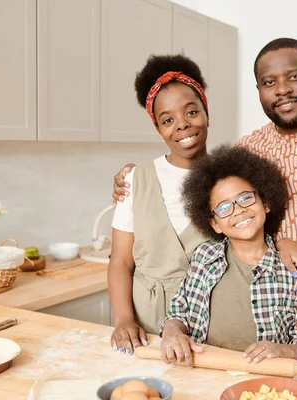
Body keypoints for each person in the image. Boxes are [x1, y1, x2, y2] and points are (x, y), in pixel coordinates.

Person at [112, 38, 297, 374]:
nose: (282, 90)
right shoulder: (250, 148)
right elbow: (238, 219)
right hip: (277, 337)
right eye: (270, 83)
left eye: (295, 77)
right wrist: (281, 240)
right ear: (259, 90)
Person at [159, 145, 297, 366]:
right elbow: (180, 310)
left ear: (265, 203)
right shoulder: (204, 256)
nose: (238, 210)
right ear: (214, 224)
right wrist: (172, 331)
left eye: (245, 198)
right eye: (224, 207)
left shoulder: (293, 268)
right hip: (204, 370)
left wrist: (286, 351)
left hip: (265, 383)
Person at [107, 54, 212, 356]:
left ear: (206, 112)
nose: (182, 125)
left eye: (191, 111)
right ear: (158, 128)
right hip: (147, 326)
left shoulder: (229, 179)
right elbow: (121, 261)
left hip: (210, 322)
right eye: (168, 120)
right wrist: (124, 319)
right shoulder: (136, 179)